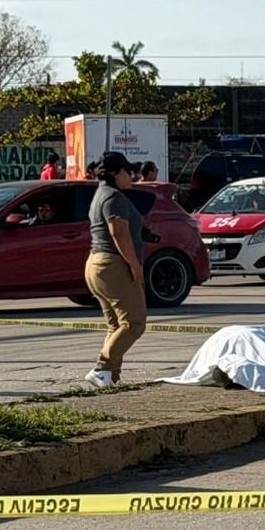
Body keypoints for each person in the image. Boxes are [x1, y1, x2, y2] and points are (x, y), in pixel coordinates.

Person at [83, 151, 148, 389]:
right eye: (127, 172)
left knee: (116, 325)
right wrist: (134, 265)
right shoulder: (113, 196)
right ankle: (101, 368)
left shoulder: (101, 194)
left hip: (97, 264)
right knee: (134, 322)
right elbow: (118, 232)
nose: (131, 176)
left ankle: (110, 376)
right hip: (112, 264)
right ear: (114, 173)